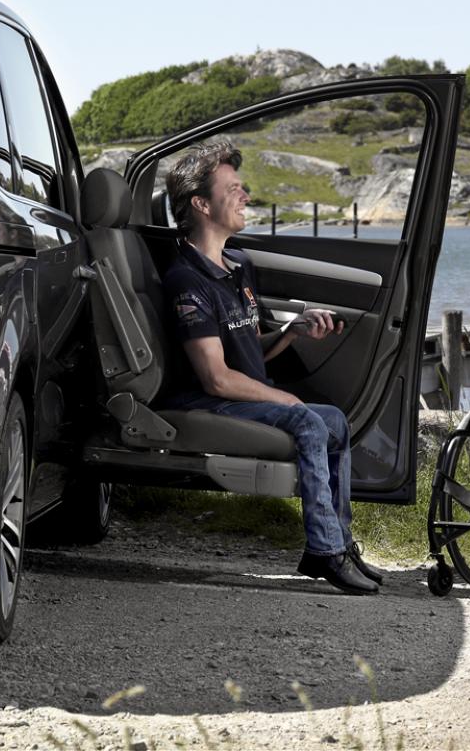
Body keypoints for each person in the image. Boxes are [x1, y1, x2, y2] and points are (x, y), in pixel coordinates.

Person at [162, 141, 383, 596]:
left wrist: (291, 331)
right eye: (234, 189)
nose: (246, 197)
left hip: (233, 394)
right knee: (305, 417)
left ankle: (338, 541)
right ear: (202, 204)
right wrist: (284, 398)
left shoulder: (236, 267)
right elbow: (216, 377)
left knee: (335, 421)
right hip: (208, 402)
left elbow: (246, 352)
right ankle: (324, 551)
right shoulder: (187, 281)